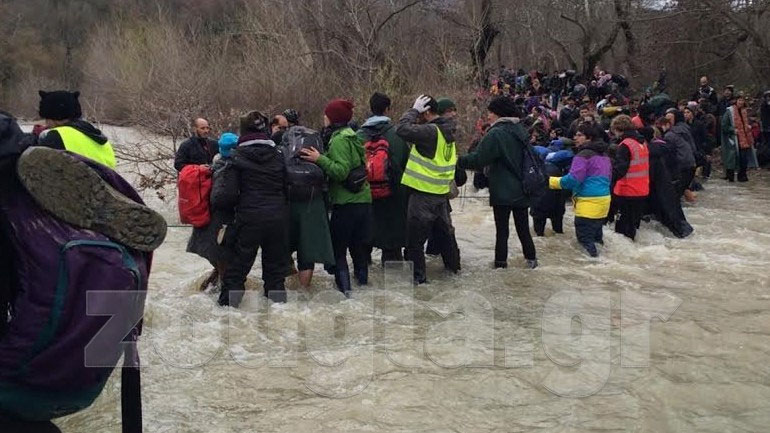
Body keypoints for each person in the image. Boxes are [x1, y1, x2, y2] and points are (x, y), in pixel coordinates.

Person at [301, 99, 372, 296]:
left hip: (346, 203)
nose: (324, 117)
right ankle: (363, 288)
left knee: (339, 251)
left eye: (327, 115)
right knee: (358, 249)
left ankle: (346, 295)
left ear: (333, 118)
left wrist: (319, 159)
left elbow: (340, 172)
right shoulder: (354, 136)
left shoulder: (339, 139)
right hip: (363, 201)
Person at [457, 96, 538, 269]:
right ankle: (532, 262)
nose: (488, 116)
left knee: (502, 232)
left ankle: (500, 266)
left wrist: (457, 161)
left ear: (498, 113)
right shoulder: (520, 129)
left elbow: (479, 159)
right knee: (523, 229)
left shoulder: (496, 133)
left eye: (490, 112)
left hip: (503, 189)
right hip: (523, 187)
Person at [218, 111, 289, 307]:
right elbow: (288, 185)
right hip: (277, 218)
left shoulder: (236, 156)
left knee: (237, 270)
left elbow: (227, 196)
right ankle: (279, 318)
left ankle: (226, 316)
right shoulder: (278, 155)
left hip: (249, 219)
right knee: (275, 273)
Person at [395, 95, 460, 283]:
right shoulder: (447, 130)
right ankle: (454, 272)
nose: (418, 118)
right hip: (441, 194)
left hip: (423, 195)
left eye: (420, 114)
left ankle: (419, 282)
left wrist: (412, 111)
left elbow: (402, 129)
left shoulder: (430, 131)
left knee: (414, 243)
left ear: (427, 112)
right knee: (446, 237)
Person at [357, 92, 410, 264]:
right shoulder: (398, 135)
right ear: (388, 109)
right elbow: (407, 166)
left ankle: (362, 283)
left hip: (364, 196)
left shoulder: (358, 136)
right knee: (392, 248)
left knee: (363, 244)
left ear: (370, 108)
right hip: (393, 197)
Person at [549, 123, 612, 257]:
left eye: (579, 135)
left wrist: (552, 181)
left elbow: (573, 180)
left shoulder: (583, 155)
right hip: (604, 202)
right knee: (597, 240)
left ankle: (595, 267)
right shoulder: (604, 155)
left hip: (588, 204)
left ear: (589, 138)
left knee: (585, 243)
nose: (575, 138)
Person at [187, 133, 239, 291]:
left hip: (205, 220)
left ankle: (213, 284)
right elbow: (221, 199)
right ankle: (224, 292)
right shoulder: (228, 168)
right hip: (220, 222)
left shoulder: (215, 164)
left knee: (218, 262)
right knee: (223, 261)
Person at [37, 90, 116, 169]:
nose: (46, 123)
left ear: (53, 118)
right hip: (106, 180)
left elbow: (38, 165)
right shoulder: (94, 133)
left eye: (46, 119)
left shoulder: (56, 136)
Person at [611, 114, 650, 241]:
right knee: (633, 225)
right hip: (642, 189)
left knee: (622, 229)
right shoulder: (642, 142)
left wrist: (607, 180)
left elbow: (620, 170)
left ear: (618, 129)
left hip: (627, 191)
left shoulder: (625, 145)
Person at [721, 94, 757, 183]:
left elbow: (747, 123)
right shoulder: (729, 111)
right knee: (732, 159)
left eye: (742, 100)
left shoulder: (744, 111)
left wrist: (748, 126)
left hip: (745, 138)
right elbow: (724, 125)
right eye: (739, 100)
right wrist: (732, 130)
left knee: (744, 159)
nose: (741, 102)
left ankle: (742, 176)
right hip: (733, 139)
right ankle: (730, 177)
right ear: (736, 101)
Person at [664, 108, 698, 198]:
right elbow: (693, 148)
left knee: (675, 196)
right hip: (691, 164)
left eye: (669, 120)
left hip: (681, 167)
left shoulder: (670, 134)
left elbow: (669, 155)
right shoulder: (686, 129)